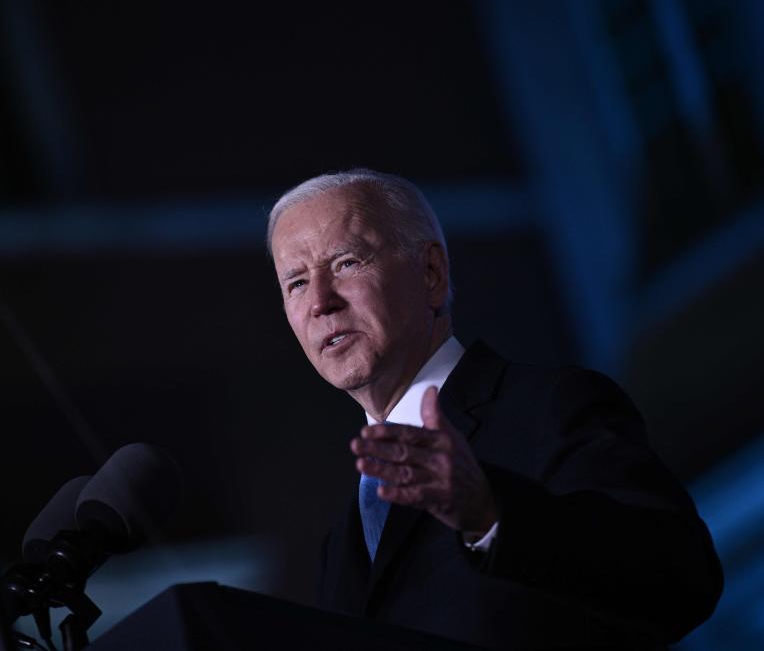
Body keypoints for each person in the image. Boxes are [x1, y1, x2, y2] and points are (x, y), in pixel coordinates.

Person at [266, 168, 723, 649]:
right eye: (296, 283)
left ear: (431, 274)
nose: (319, 302)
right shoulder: (342, 546)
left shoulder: (551, 407)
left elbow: (683, 576)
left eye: (347, 263)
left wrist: (491, 514)